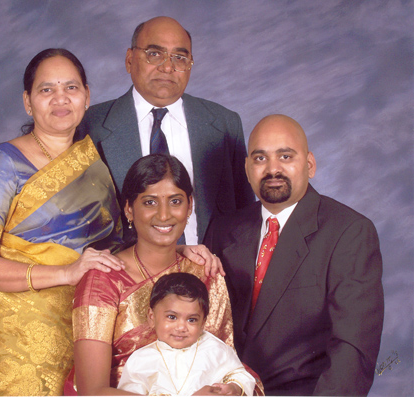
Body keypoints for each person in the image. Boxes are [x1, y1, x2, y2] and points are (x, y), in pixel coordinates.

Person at [0, 48, 126, 396]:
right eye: (46, 89)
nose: (60, 99)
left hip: (89, 324)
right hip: (16, 336)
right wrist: (66, 273)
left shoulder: (94, 158)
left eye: (71, 87)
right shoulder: (2, 163)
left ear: (86, 96)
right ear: (27, 101)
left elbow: (118, 247)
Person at [204, 114, 384, 396]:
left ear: (310, 165)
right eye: (260, 158)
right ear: (247, 169)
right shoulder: (223, 229)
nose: (272, 169)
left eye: (285, 156)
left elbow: (353, 350)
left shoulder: (349, 232)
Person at [64, 154, 264, 396]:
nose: (164, 215)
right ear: (129, 208)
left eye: (175, 201)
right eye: (149, 202)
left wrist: (231, 389)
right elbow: (91, 392)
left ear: (189, 205)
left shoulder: (205, 273)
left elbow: (223, 362)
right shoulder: (102, 279)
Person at [77, 16, 254, 244]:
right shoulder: (91, 125)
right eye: (154, 54)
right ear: (130, 60)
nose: (168, 67)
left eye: (180, 58)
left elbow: (246, 216)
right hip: (123, 273)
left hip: (211, 270)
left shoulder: (224, 124)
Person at [118, 272, 256, 396]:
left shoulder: (216, 349)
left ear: (203, 323)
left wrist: (235, 387)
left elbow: (240, 374)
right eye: (172, 317)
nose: (181, 327)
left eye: (192, 320)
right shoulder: (140, 360)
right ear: (152, 317)